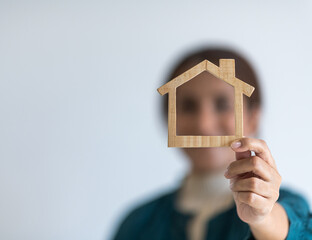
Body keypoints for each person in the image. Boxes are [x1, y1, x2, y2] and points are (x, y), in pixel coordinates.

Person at [111, 47, 312, 240]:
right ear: (169, 118)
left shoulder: (291, 206)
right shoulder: (138, 223)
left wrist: (264, 218)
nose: (204, 125)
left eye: (223, 104)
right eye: (189, 106)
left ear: (253, 118)